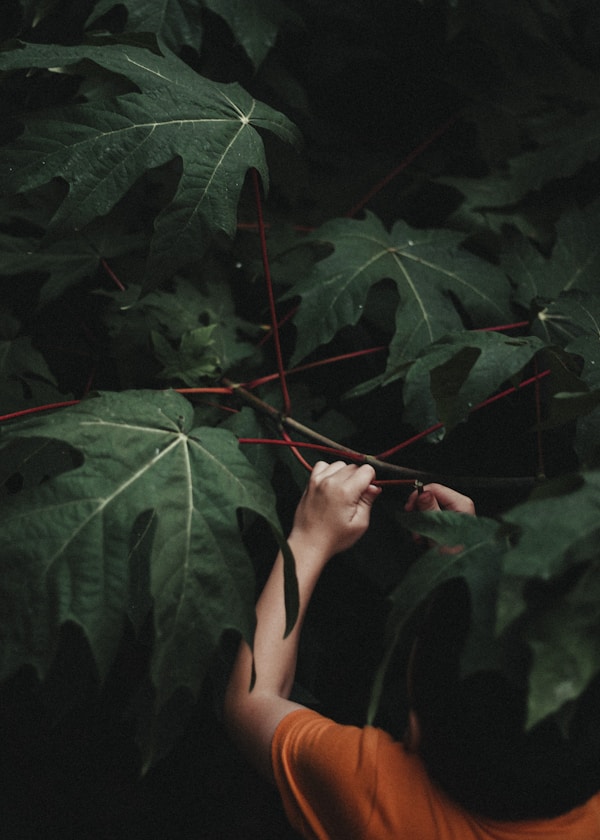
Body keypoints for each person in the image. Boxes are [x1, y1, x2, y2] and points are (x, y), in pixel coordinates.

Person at [224, 461, 600, 839]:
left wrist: (309, 539)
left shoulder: (375, 793)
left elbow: (251, 699)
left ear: (413, 727)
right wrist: (463, 562)